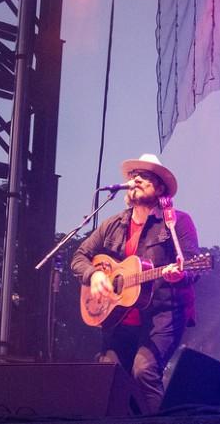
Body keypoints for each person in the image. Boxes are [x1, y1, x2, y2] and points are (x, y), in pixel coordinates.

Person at [71, 153, 199, 413]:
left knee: (144, 371)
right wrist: (94, 275)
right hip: (119, 316)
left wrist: (181, 274)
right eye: (133, 176)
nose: (136, 180)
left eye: (145, 177)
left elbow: (193, 264)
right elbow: (79, 256)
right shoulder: (113, 224)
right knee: (109, 376)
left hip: (164, 312)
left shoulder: (177, 221)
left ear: (160, 188)